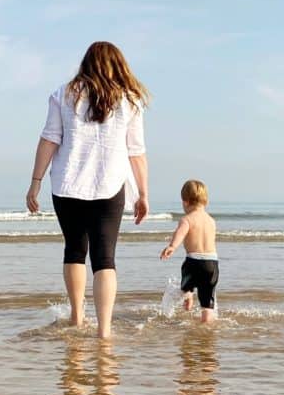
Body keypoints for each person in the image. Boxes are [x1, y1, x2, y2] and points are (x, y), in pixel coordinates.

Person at [27, 41, 150, 339]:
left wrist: (36, 182)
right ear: (118, 65)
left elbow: (50, 139)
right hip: (110, 184)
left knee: (74, 250)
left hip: (67, 184)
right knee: (105, 257)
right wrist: (143, 193)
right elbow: (136, 151)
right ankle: (104, 331)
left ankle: (77, 317)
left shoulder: (63, 94)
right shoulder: (130, 101)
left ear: (86, 63)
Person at [160, 180, 218, 323]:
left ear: (185, 202)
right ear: (206, 201)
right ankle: (206, 326)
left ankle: (189, 297)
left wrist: (172, 247)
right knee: (207, 302)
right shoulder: (211, 220)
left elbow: (180, 234)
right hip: (212, 263)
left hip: (193, 261)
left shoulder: (187, 219)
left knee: (187, 285)